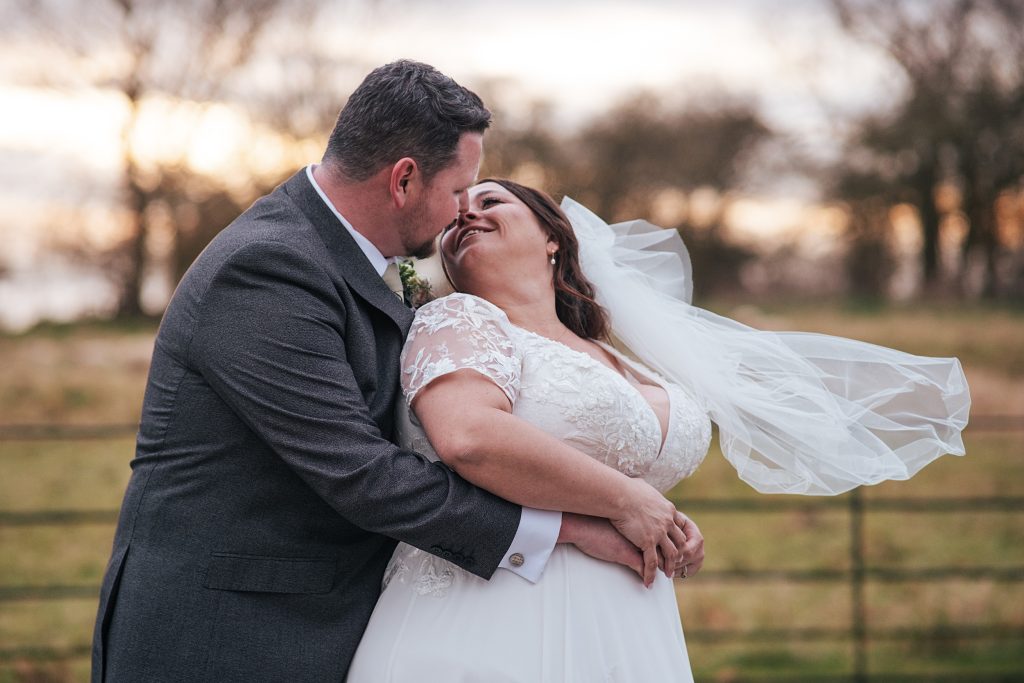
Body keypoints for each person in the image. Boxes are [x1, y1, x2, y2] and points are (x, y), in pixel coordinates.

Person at [91, 61, 700, 682]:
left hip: (336, 615)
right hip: (232, 634)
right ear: (404, 179)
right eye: (459, 189)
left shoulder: (350, 261)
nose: (462, 211)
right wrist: (575, 527)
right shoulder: (268, 267)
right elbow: (361, 471)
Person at [347, 178, 970, 681]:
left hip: (629, 627)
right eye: (456, 212)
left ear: (552, 240)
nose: (467, 215)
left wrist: (666, 521)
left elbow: (619, 461)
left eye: (491, 201)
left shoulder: (617, 356)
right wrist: (630, 500)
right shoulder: (459, 318)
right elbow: (471, 438)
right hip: (493, 616)